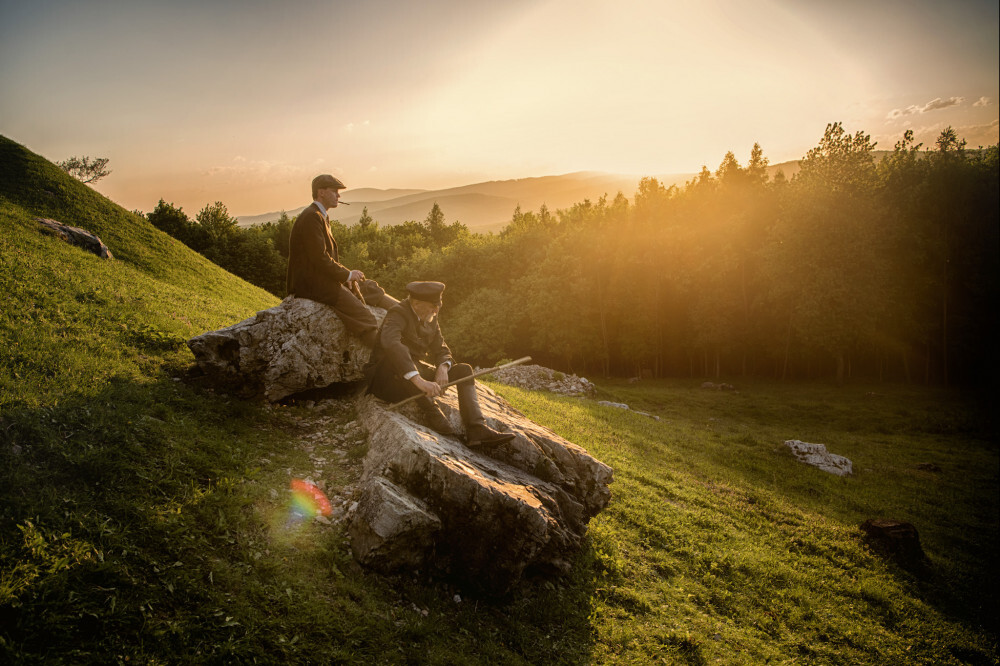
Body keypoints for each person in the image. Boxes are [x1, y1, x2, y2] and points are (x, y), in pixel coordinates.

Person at [369, 281, 515, 449]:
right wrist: (420, 381)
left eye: (438, 305)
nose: (436, 310)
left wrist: (443, 367)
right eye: (433, 306)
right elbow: (392, 344)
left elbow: (441, 348)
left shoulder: (430, 316)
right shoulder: (397, 314)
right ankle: (432, 412)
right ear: (416, 304)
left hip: (412, 374)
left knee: (463, 370)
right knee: (397, 360)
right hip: (387, 381)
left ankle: (477, 430)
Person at [286, 174, 398, 346]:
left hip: (321, 279)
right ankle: (391, 361)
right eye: (334, 191)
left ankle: (407, 311)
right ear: (321, 192)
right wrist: (346, 275)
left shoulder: (319, 215)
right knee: (365, 318)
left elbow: (325, 258)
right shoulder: (311, 217)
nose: (339, 195)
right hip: (313, 285)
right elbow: (320, 258)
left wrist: (348, 275)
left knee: (368, 287)